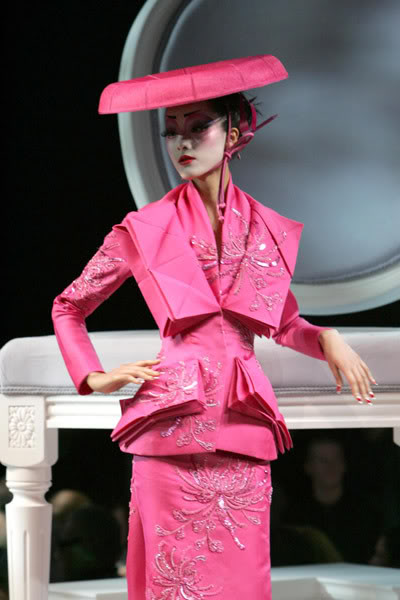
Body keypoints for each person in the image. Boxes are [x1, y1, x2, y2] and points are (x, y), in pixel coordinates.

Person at [52, 56, 377, 599]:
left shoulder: (264, 228)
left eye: (197, 126)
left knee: (240, 583)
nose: (181, 142)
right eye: (171, 130)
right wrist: (93, 376)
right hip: (167, 427)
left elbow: (283, 323)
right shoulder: (144, 228)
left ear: (235, 130)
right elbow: (68, 306)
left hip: (241, 426)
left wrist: (327, 338)